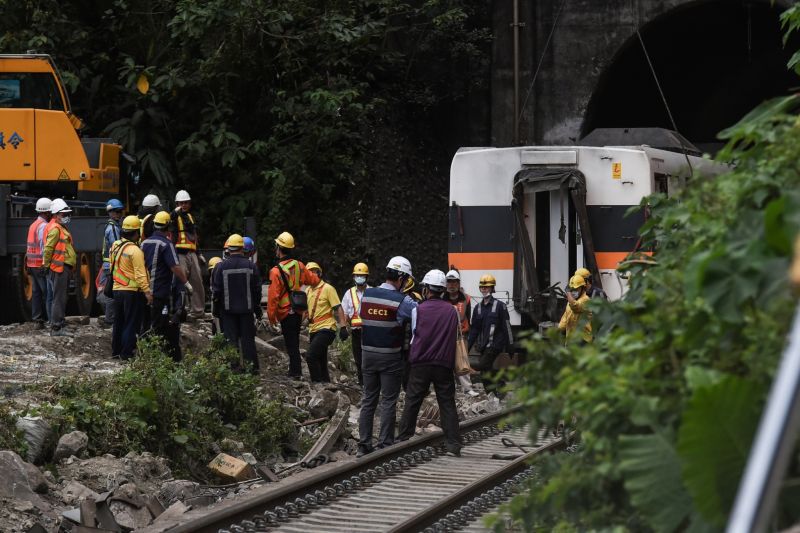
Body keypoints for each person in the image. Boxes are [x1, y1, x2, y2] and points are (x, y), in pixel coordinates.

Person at [357, 256, 417, 457]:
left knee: (368, 399)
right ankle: (384, 444)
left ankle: (364, 444)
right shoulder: (403, 300)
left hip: (367, 354)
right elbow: (418, 316)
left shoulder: (367, 294)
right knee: (388, 401)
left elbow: (361, 315)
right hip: (390, 357)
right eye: (406, 279)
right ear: (400, 277)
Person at [397, 269, 462, 455]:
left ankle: (403, 439)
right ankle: (454, 444)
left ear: (426, 289)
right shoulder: (452, 311)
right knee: (447, 402)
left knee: (412, 400)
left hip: (421, 363)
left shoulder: (418, 309)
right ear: (442, 290)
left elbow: (415, 335)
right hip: (444, 363)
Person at [267, 231, 319, 379]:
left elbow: (273, 298)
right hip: (298, 310)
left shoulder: (276, 271)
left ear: (278, 248)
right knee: (294, 342)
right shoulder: (300, 266)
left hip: (285, 312)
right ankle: (295, 371)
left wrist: (271, 318)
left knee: (291, 344)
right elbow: (313, 281)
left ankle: (295, 373)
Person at [141, 211, 190, 360]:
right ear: (168, 226)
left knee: (147, 324)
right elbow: (175, 267)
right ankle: (163, 359)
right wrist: (186, 282)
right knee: (162, 327)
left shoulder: (144, 243)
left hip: (144, 292)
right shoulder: (166, 244)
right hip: (160, 292)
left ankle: (145, 356)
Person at [213, 234, 261, 374]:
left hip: (228, 311)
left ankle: (234, 369)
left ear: (228, 248)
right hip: (246, 310)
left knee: (231, 340)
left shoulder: (221, 267)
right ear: (242, 248)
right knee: (248, 340)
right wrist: (256, 307)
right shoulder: (251, 266)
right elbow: (257, 290)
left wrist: (217, 309)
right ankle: (252, 369)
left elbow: (217, 291)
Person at [109, 216, 152, 359]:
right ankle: (126, 354)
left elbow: (111, 266)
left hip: (117, 290)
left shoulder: (115, 245)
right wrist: (147, 292)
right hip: (131, 292)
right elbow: (140, 275)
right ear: (136, 232)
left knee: (118, 322)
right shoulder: (135, 251)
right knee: (131, 323)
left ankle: (116, 352)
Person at [304, 262, 349, 383]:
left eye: (313, 271)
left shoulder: (328, 289)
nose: (311, 275)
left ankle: (317, 384)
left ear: (319, 273)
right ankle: (326, 383)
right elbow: (306, 311)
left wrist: (343, 327)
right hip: (313, 328)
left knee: (311, 356)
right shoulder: (307, 291)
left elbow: (338, 307)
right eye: (309, 273)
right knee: (321, 359)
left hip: (327, 328)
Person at [42, 199, 76, 337]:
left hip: (62, 267)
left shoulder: (58, 227)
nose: (66, 216)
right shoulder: (55, 229)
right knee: (59, 298)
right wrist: (46, 265)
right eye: (64, 214)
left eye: (67, 213)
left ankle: (59, 324)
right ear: (56, 215)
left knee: (60, 297)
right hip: (59, 268)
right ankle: (56, 327)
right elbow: (48, 248)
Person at [169, 190, 205, 320]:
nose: (184, 205)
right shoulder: (173, 216)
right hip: (179, 254)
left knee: (197, 281)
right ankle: (181, 311)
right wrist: (175, 212)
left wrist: (199, 253)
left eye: (186, 203)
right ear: (177, 203)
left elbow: (194, 236)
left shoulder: (189, 216)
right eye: (181, 203)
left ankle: (198, 311)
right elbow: (170, 218)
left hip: (192, 253)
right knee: (181, 283)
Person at [467, 274, 513, 374]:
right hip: (483, 345)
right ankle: (497, 388)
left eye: (487, 287)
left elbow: (507, 327)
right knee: (486, 372)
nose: (484, 289)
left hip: (495, 344)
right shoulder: (478, 308)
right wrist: (467, 348)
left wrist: (510, 346)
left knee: (482, 365)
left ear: (492, 288)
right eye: (482, 287)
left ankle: (496, 386)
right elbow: (474, 330)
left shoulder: (500, 306)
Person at [444, 268, 477, 396]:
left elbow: (468, 318)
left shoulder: (466, 299)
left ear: (458, 283)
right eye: (449, 282)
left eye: (454, 282)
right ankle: (448, 389)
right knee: (446, 362)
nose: (452, 285)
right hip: (446, 336)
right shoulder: (442, 299)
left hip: (461, 335)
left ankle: (468, 388)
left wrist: (467, 334)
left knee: (463, 361)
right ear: (446, 284)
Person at [340, 262, 370, 386]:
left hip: (370, 331)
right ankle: (362, 383)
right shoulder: (349, 293)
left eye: (362, 275)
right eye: (357, 275)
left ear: (367, 277)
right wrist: (343, 327)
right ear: (353, 277)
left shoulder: (373, 291)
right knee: (358, 359)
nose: (359, 277)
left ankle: (371, 382)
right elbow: (344, 312)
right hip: (356, 331)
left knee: (369, 358)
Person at [97, 198, 124, 328]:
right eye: (117, 212)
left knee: (109, 292)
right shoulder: (113, 228)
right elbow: (116, 247)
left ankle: (110, 318)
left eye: (120, 211)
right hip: (111, 265)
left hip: (108, 264)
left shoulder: (112, 226)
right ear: (111, 212)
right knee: (111, 293)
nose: (120, 214)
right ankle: (110, 319)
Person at [25, 198, 51, 329]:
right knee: (47, 292)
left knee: (36, 292)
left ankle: (37, 320)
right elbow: (44, 246)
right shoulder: (43, 226)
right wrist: (46, 263)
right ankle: (50, 320)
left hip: (32, 263)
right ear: (46, 212)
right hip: (40, 264)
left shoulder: (33, 225)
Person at [400, 274, 423, 391]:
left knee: (411, 362)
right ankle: (405, 384)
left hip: (412, 334)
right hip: (401, 333)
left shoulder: (417, 298)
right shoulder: (398, 297)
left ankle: (409, 385)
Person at [558, 274, 592, 344]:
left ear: (582, 288)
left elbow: (575, 307)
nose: (573, 291)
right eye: (572, 289)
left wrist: (568, 293)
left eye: (576, 289)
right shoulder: (569, 303)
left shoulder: (585, 300)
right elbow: (565, 319)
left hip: (583, 339)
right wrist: (559, 329)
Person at [207, 256, 223, 335]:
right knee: (215, 319)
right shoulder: (213, 277)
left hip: (218, 300)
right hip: (215, 299)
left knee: (217, 318)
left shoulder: (217, 276)